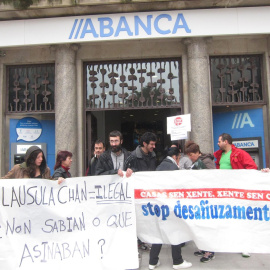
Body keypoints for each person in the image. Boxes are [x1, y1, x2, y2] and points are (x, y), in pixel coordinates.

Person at [214, 132, 257, 258]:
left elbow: (252, 168)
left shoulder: (240, 153)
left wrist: (240, 182)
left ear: (225, 141)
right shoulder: (220, 155)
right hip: (224, 192)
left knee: (241, 218)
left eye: (219, 141)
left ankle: (245, 246)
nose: (218, 143)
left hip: (237, 192)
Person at [149, 147, 192, 270]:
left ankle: (152, 261)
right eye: (179, 158)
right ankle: (177, 261)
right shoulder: (173, 168)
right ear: (175, 157)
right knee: (175, 231)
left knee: (159, 232)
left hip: (159, 204)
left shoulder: (160, 166)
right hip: (171, 205)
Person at [185, 140, 216, 263]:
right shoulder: (197, 162)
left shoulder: (206, 162)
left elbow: (213, 179)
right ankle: (204, 248)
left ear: (197, 153)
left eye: (191, 155)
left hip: (206, 199)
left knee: (207, 226)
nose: (190, 158)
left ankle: (210, 251)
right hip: (200, 199)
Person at [131, 132, 157, 251]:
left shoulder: (153, 155)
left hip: (149, 193)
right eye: (151, 144)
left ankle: (147, 240)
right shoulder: (132, 157)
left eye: (154, 144)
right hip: (137, 195)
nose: (153, 147)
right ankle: (138, 241)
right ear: (144, 144)